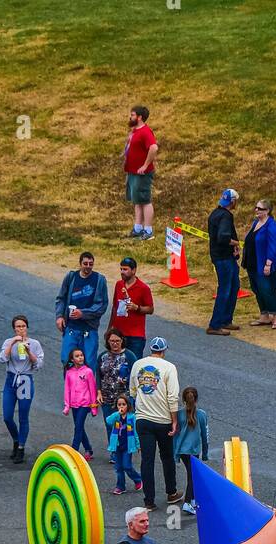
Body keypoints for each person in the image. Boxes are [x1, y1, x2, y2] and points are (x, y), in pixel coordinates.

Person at [129, 336, 181, 506]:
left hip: (143, 419)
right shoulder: (169, 368)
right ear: (164, 351)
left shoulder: (137, 364)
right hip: (163, 419)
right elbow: (172, 396)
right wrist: (174, 420)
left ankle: (149, 500)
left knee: (147, 459)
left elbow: (133, 390)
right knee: (167, 457)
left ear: (150, 349)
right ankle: (171, 492)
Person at [0, 315, 44, 464]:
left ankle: (21, 447)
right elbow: (2, 359)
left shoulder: (34, 343)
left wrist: (29, 351)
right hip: (11, 379)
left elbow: (39, 364)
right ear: (14, 328)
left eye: (23, 326)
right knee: (7, 416)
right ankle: (16, 439)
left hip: (25, 380)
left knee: (23, 416)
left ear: (27, 328)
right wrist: (12, 343)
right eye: (18, 327)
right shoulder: (8, 342)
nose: (20, 329)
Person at [55, 251, 109, 367]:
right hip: (71, 328)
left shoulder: (99, 280)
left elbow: (102, 305)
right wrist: (59, 316)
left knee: (89, 362)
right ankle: (70, 384)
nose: (88, 267)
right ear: (80, 264)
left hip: (89, 329)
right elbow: (61, 298)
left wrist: (83, 313)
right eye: (85, 263)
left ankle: (87, 385)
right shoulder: (71, 277)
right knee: (67, 360)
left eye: (91, 264)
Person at [242, 198, 276, 328]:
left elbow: (273, 245)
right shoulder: (256, 223)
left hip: (266, 264)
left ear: (267, 211)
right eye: (256, 207)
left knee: (267, 289)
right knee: (257, 289)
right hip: (253, 263)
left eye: (260, 209)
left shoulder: (272, 225)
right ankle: (264, 315)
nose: (256, 210)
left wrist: (268, 264)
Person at [96, 329, 137, 453]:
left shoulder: (129, 356)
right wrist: (98, 392)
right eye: (112, 341)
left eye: (117, 341)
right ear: (108, 342)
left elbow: (135, 375)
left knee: (124, 424)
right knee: (110, 425)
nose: (115, 344)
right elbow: (98, 375)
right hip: (107, 397)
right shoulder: (102, 356)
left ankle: (124, 449)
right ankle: (114, 451)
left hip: (123, 399)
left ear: (122, 341)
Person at [207, 189, 241, 336]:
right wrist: (235, 243)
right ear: (232, 201)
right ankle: (215, 324)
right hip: (224, 258)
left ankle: (226, 319)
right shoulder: (226, 216)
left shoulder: (215, 213)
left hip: (220, 256)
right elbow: (223, 237)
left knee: (234, 286)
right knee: (225, 290)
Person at [124, 105, 158, 240]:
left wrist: (145, 165)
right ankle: (138, 228)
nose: (130, 117)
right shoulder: (135, 131)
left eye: (132, 115)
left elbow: (154, 148)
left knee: (145, 200)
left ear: (139, 117)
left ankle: (148, 231)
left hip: (141, 174)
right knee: (137, 201)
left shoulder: (145, 131)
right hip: (132, 172)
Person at [108, 257, 153, 359]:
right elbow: (115, 307)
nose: (122, 272)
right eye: (121, 269)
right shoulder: (119, 285)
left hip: (136, 336)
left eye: (125, 269)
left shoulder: (143, 288)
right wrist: (110, 328)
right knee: (116, 365)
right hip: (118, 333)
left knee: (134, 366)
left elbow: (150, 309)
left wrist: (137, 308)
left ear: (133, 270)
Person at [173, 386, 209, 514]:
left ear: (183, 399)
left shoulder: (179, 414)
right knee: (192, 476)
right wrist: (205, 453)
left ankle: (193, 500)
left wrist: (176, 454)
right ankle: (188, 503)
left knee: (191, 474)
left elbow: (176, 435)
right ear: (196, 398)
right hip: (193, 451)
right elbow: (205, 436)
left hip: (182, 451)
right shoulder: (202, 415)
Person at [62, 347, 98, 460]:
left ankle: (74, 452)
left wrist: (94, 407)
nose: (80, 357)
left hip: (85, 404)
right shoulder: (69, 373)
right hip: (74, 404)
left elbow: (92, 390)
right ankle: (88, 449)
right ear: (72, 359)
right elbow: (67, 390)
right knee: (79, 427)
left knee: (78, 427)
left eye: (81, 355)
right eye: (77, 356)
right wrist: (67, 406)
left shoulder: (88, 371)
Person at [105, 394, 142, 495]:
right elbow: (108, 421)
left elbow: (135, 432)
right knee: (118, 468)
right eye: (119, 404)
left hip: (127, 447)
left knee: (127, 466)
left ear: (128, 405)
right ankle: (120, 487)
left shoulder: (132, 417)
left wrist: (138, 445)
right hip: (117, 446)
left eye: (123, 404)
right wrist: (117, 413)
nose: (121, 407)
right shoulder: (116, 417)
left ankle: (138, 479)